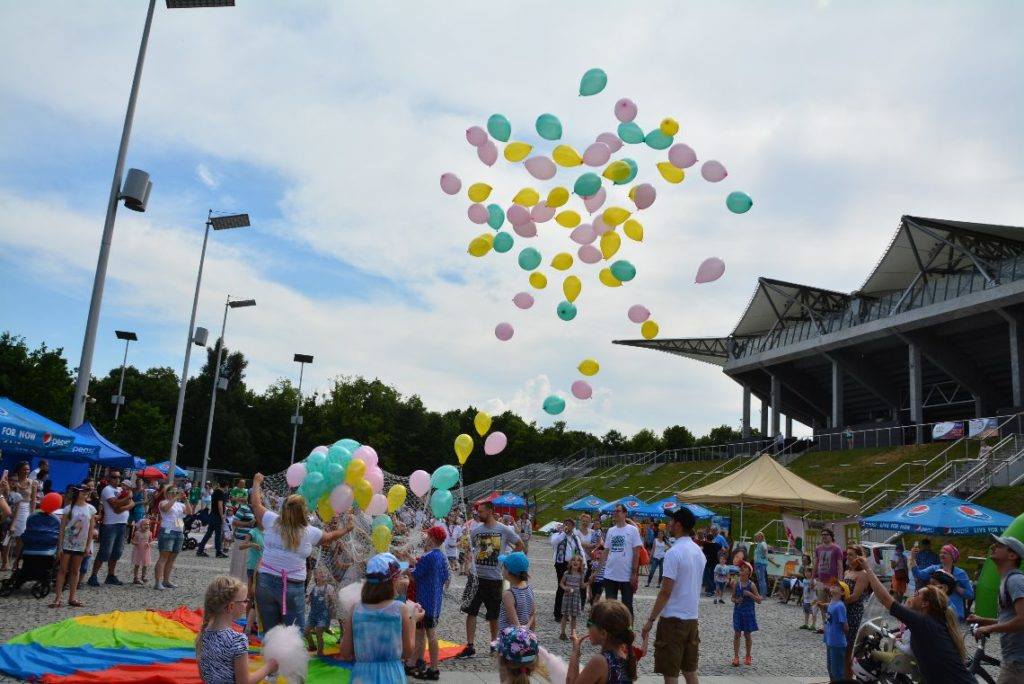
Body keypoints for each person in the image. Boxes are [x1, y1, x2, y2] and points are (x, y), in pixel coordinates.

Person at [249, 473, 352, 631]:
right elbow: (330, 537)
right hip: (292, 586)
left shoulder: (271, 520)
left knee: (271, 632)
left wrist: (256, 482)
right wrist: (347, 529)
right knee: (294, 632)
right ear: (303, 511)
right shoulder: (309, 532)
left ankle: (271, 647)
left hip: (266, 582)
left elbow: (256, 505)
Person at [853, 555, 973, 683]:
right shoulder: (935, 619)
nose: (912, 596)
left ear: (925, 604)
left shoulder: (923, 621)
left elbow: (885, 599)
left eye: (916, 594)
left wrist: (867, 568)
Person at [641, 507, 704, 684]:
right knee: (690, 672)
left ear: (678, 525)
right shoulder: (698, 552)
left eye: (671, 521)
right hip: (692, 619)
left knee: (671, 674)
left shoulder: (673, 552)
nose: (668, 524)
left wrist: (651, 620)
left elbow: (665, 592)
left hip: (673, 620)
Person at [339, 552, 424, 683]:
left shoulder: (355, 610)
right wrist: (413, 621)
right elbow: (407, 652)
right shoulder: (400, 609)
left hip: (362, 676)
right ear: (393, 580)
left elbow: (345, 653)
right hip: (391, 676)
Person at [455, 501, 522, 659]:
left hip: (495, 579)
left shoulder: (503, 529)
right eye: (478, 511)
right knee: (470, 611)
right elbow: (469, 547)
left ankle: (494, 644)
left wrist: (508, 560)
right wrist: (468, 554)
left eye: (481, 511)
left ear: (490, 512)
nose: (478, 514)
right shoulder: (476, 530)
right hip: (475, 578)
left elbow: (520, 545)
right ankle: (470, 646)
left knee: (494, 615)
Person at [196, 575, 277, 684]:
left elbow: (203, 676)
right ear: (231, 606)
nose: (247, 603)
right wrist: (269, 667)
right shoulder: (237, 640)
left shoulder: (203, 633)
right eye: (245, 601)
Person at [967, 535, 1024, 684]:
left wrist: (989, 628)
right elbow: (1011, 619)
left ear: (1012, 556)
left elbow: (1022, 620)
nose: (993, 547)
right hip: (1013, 659)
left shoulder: (1015, 580)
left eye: (999, 546)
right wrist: (983, 620)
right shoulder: (1007, 580)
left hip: (1018, 663)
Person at [407, 525, 450, 680]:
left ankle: (433, 668)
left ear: (432, 538)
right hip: (435, 601)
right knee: (423, 632)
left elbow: (415, 575)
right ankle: (415, 662)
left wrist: (405, 569)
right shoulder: (441, 556)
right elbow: (445, 577)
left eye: (428, 535)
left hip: (424, 601)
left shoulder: (429, 556)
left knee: (428, 634)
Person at [50, 483, 96, 608]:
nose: (85, 492)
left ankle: (72, 598)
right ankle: (58, 598)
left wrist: (88, 546)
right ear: (77, 492)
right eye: (83, 490)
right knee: (62, 570)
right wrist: (60, 546)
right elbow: (62, 528)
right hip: (67, 543)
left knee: (75, 570)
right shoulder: (68, 508)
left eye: (87, 491)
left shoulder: (91, 509)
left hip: (81, 544)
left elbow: (91, 530)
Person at [568, 599, 636, 684]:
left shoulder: (599, 661)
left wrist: (575, 652)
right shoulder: (625, 657)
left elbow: (570, 681)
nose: (588, 628)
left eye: (589, 623)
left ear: (603, 633)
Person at [86, 469, 133, 586]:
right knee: (105, 551)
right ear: (108, 478)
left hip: (122, 524)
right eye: (114, 477)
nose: (117, 479)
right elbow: (115, 504)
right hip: (110, 525)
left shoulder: (120, 490)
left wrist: (123, 506)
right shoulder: (107, 489)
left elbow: (131, 504)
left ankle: (110, 575)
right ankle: (93, 576)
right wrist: (127, 499)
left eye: (119, 477)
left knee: (117, 552)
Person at [910, 541, 973, 620]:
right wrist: (912, 557)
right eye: (941, 553)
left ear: (952, 556)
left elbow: (970, 594)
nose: (941, 555)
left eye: (945, 553)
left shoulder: (960, 573)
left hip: (954, 614)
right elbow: (918, 574)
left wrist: (954, 586)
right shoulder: (934, 568)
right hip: (936, 611)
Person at [603, 504, 643, 616]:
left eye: (618, 511)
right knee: (610, 607)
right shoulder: (611, 530)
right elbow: (606, 551)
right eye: (614, 511)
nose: (615, 513)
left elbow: (636, 553)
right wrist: (597, 572)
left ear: (625, 513)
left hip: (626, 575)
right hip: (610, 574)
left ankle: (629, 626)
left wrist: (634, 573)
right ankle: (612, 627)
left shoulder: (633, 530)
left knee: (627, 607)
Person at [154, 484, 193, 590]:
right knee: (163, 557)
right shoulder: (163, 502)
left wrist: (185, 500)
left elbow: (189, 512)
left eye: (176, 492)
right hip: (168, 531)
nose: (176, 494)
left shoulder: (180, 504)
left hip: (179, 532)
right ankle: (157, 582)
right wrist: (175, 498)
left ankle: (166, 581)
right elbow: (165, 509)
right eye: (173, 492)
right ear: (167, 493)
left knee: (172, 558)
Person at [842, 544, 871, 677]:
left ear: (858, 557)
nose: (848, 557)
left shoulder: (863, 574)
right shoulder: (847, 572)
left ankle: (848, 678)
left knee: (849, 650)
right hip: (844, 611)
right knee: (842, 649)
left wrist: (838, 599)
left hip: (854, 613)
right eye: (847, 554)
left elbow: (855, 597)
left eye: (851, 555)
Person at [551, 518, 586, 622]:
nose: (567, 526)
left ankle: (566, 612)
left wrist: (583, 563)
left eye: (570, 524)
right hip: (560, 563)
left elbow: (580, 550)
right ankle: (558, 613)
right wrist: (563, 533)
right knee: (561, 586)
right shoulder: (557, 535)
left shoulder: (575, 537)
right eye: (566, 524)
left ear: (573, 526)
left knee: (570, 586)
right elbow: (554, 543)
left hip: (571, 564)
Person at [730, 562, 761, 667]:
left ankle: (748, 656)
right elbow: (732, 598)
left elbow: (759, 600)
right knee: (737, 634)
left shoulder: (751, 585)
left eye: (744, 567)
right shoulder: (736, 583)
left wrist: (750, 594)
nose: (742, 569)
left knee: (747, 635)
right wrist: (736, 600)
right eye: (741, 568)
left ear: (749, 572)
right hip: (738, 612)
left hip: (748, 613)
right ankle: (736, 657)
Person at [813, 529, 844, 632]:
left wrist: (840, 580)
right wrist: (813, 577)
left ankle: (832, 624)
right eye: (822, 535)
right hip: (820, 580)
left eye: (826, 534)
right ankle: (825, 625)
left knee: (832, 603)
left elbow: (840, 565)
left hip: (832, 580)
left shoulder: (836, 549)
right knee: (821, 603)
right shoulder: (818, 548)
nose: (824, 536)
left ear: (831, 536)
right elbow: (816, 563)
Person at [499, 551, 536, 635]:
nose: (501, 568)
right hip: (525, 637)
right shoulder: (529, 589)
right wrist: (529, 631)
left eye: (503, 566)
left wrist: (522, 631)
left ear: (508, 571)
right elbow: (533, 614)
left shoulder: (508, 594)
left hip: (509, 639)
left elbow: (515, 624)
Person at [304, 568, 334, 657]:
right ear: (316, 576)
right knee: (305, 631)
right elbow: (308, 601)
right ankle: (312, 646)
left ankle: (320, 652)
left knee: (318, 632)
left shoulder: (329, 588)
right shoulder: (313, 588)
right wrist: (305, 600)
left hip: (323, 616)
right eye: (320, 573)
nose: (323, 574)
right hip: (312, 615)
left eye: (324, 573)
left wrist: (330, 614)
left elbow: (333, 602)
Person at [823, 582, 848, 682]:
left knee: (837, 671)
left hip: (837, 642)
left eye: (837, 586)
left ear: (842, 592)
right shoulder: (831, 603)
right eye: (833, 584)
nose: (833, 586)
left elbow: (845, 626)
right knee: (830, 668)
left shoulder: (840, 606)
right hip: (830, 641)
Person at [198, 481, 227, 558]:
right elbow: (220, 505)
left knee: (209, 533)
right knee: (218, 534)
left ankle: (200, 550)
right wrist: (222, 516)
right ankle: (218, 552)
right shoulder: (221, 493)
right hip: (217, 516)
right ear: (226, 486)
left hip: (212, 514)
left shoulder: (215, 492)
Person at [560, 555, 585, 640]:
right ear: (570, 563)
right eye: (573, 560)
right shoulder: (566, 573)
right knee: (565, 615)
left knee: (574, 616)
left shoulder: (581, 574)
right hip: (567, 596)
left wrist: (589, 582)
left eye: (578, 561)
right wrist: (565, 588)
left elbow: (582, 585)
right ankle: (562, 633)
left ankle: (572, 634)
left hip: (576, 597)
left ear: (580, 564)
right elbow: (561, 583)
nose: (575, 562)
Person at [131, 518, 153, 585]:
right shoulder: (137, 533)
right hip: (138, 551)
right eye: (144, 524)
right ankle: (136, 578)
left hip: (145, 551)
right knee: (137, 564)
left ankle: (143, 576)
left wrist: (149, 543)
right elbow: (132, 541)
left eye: (148, 524)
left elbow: (151, 541)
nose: (147, 526)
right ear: (140, 525)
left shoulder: (149, 533)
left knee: (145, 564)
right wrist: (136, 543)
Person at [752, 532, 769, 598]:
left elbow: (765, 550)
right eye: (757, 537)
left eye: (758, 537)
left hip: (761, 563)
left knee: (762, 579)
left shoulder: (763, 543)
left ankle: (763, 594)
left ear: (762, 537)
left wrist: (764, 556)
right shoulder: (758, 544)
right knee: (760, 579)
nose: (757, 538)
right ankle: (762, 593)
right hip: (757, 563)